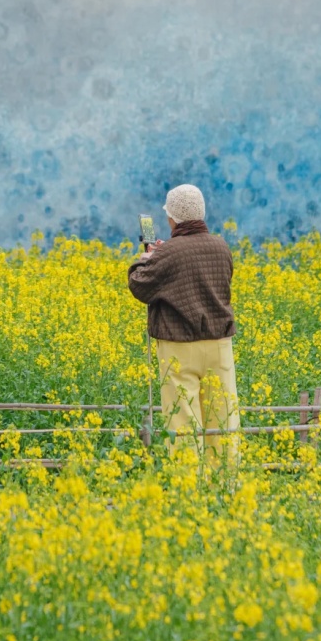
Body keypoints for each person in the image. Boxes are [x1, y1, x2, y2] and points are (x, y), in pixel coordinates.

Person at [127, 184, 240, 476]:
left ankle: (188, 491)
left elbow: (139, 285)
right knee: (223, 421)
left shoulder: (169, 253)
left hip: (179, 349)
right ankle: (226, 486)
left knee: (183, 423)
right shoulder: (221, 246)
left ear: (173, 218)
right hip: (219, 347)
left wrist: (147, 259)